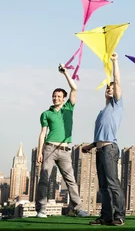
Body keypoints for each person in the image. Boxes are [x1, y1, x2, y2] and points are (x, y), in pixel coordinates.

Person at [35, 64, 89, 218]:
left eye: (59, 96)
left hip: (65, 151)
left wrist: (65, 73)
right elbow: (42, 133)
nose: (56, 98)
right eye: (54, 96)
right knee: (44, 180)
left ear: (64, 98)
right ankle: (41, 209)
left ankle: (78, 209)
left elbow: (74, 88)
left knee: (71, 180)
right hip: (49, 148)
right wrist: (39, 152)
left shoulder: (68, 108)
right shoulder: (46, 114)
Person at [82, 52, 126, 227]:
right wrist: (91, 145)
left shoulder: (117, 105)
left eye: (112, 88)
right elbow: (102, 133)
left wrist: (115, 62)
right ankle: (106, 217)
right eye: (107, 87)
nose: (110, 89)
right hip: (100, 150)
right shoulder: (103, 111)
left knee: (112, 183)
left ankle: (119, 216)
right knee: (104, 187)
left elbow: (117, 79)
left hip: (109, 149)